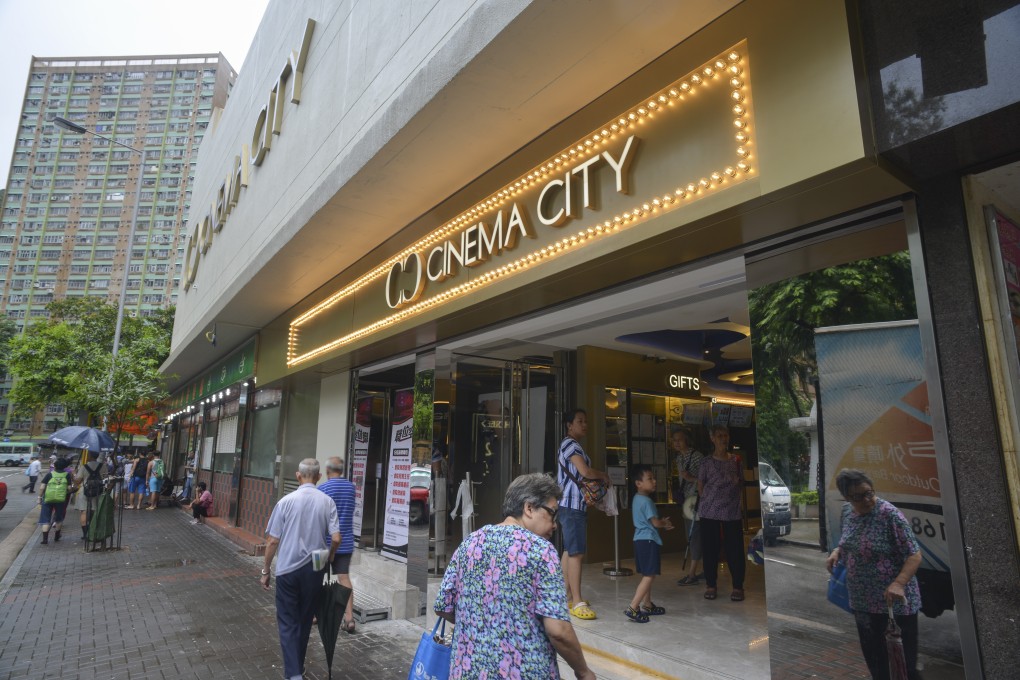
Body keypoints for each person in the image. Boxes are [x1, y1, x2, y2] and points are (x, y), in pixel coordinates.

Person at [435, 473, 595, 680]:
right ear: (528, 508)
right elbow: (558, 631)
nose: (555, 525)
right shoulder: (542, 551)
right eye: (552, 514)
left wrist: (483, 626)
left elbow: (442, 606)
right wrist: (583, 671)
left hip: (467, 671)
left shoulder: (470, 543)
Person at [826, 469, 922, 680]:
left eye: (869, 493)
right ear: (847, 498)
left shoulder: (890, 515)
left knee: (904, 666)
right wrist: (837, 552)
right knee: (876, 662)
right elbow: (848, 540)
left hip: (894, 604)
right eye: (858, 497)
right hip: (862, 602)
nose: (867, 500)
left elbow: (914, 555)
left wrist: (899, 583)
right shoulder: (847, 512)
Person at [260, 459, 340, 680]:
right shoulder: (327, 501)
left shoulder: (285, 501)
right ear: (319, 477)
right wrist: (330, 554)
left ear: (297, 476)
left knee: (287, 622)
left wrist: (266, 570)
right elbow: (336, 537)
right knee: (304, 620)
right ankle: (297, 668)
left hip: (287, 569)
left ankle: (293, 674)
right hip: (315, 568)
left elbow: (272, 541)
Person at [556, 408, 610, 621]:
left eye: (586, 421)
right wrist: (603, 475)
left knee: (570, 550)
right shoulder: (570, 444)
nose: (584, 425)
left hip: (571, 505)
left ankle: (565, 596)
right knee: (576, 553)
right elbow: (585, 472)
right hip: (572, 504)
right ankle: (576, 601)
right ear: (570, 425)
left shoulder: (572, 444)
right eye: (580, 421)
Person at [697, 424, 746, 602]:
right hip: (709, 512)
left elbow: (741, 484)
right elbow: (700, 486)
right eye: (719, 436)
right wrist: (711, 501)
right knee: (710, 550)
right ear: (712, 439)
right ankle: (711, 584)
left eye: (725, 435)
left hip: (732, 512)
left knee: (735, 550)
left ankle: (738, 586)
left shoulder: (736, 460)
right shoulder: (706, 462)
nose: (723, 439)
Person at [625, 465, 673, 622]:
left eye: (654, 478)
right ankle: (633, 607)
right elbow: (655, 523)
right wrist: (664, 523)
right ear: (638, 483)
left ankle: (647, 604)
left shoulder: (637, 499)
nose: (654, 482)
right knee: (649, 575)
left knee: (647, 573)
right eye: (650, 479)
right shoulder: (647, 502)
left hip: (639, 540)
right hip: (648, 540)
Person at [319, 456, 357, 633]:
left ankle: (315, 614)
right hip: (346, 541)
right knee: (344, 578)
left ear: (327, 471)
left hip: (324, 541)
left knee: (317, 578)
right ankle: (349, 619)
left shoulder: (323, 488)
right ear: (341, 470)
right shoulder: (351, 488)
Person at [672, 428, 704, 586]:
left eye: (680, 439)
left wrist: (690, 478)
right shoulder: (679, 458)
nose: (677, 443)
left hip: (695, 500)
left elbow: (705, 479)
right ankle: (701, 568)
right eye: (674, 440)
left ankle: (692, 573)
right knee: (691, 534)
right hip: (686, 500)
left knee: (694, 535)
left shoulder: (697, 457)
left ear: (687, 440)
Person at [74, 453, 108, 541]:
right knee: (95, 512)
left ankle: (85, 534)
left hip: (85, 491)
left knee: (84, 512)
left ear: (90, 456)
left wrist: (74, 475)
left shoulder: (84, 467)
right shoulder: (103, 466)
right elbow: (106, 479)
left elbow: (77, 481)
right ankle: (93, 532)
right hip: (98, 491)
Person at [38, 457, 72, 544]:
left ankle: (45, 539)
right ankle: (57, 536)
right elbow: (69, 488)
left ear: (55, 466)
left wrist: (39, 497)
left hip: (48, 498)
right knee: (59, 518)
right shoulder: (67, 475)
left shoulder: (50, 474)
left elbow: (42, 487)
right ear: (64, 466)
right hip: (61, 499)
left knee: (45, 518)